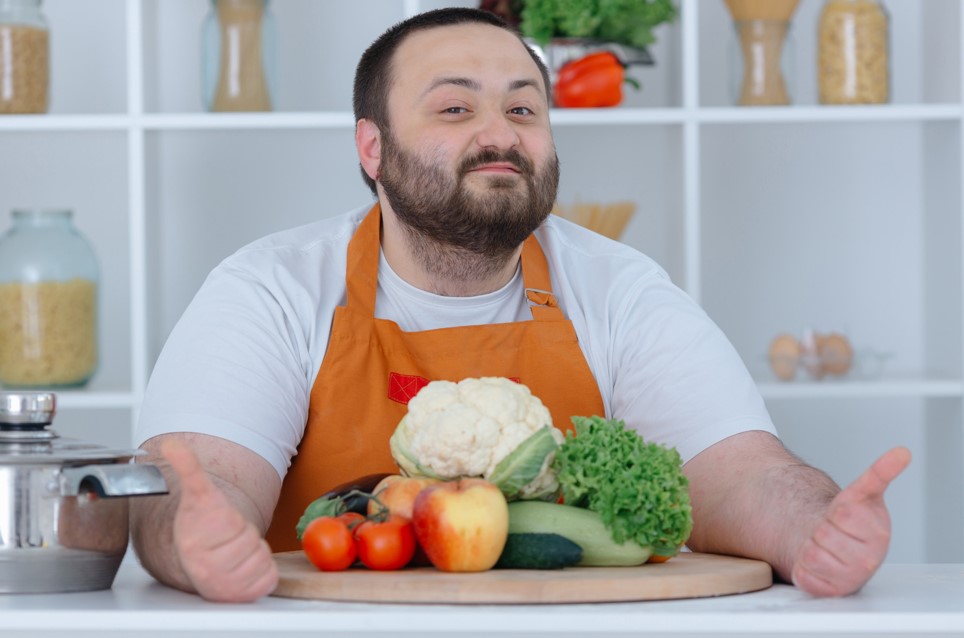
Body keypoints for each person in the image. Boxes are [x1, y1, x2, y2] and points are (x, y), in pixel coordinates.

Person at [129, 7, 911, 603]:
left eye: (524, 109)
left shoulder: (618, 288)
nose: (499, 134)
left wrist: (815, 525)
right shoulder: (271, 290)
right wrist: (193, 538)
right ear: (372, 148)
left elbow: (739, 475)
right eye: (455, 109)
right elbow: (201, 480)